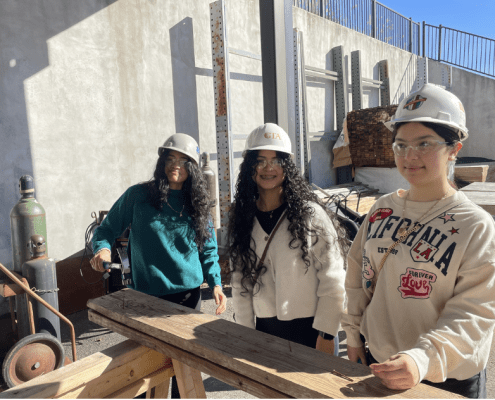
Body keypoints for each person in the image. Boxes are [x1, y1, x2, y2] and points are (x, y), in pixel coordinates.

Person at [342, 83, 495, 398]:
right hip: (380, 363)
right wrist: (353, 334)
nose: (409, 156)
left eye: (424, 143)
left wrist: (421, 359)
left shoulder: (475, 226)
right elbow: (357, 275)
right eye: (400, 145)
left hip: (445, 377)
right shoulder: (382, 209)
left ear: (454, 149)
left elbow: (474, 313)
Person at [90, 133, 227, 397]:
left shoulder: (197, 204)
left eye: (184, 161)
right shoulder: (138, 196)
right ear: (162, 161)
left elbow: (208, 250)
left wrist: (216, 283)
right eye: (170, 158)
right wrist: (103, 250)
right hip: (146, 298)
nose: (176, 165)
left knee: (184, 371)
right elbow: (106, 229)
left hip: (187, 299)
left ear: (193, 168)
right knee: (146, 371)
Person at [228, 123, 348, 355]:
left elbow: (333, 278)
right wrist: (246, 334)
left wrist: (327, 334)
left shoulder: (311, 215)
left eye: (276, 160)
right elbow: (240, 282)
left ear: (287, 166)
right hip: (265, 332)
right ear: (250, 167)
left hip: (312, 332)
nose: (268, 168)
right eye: (260, 161)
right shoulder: (244, 219)